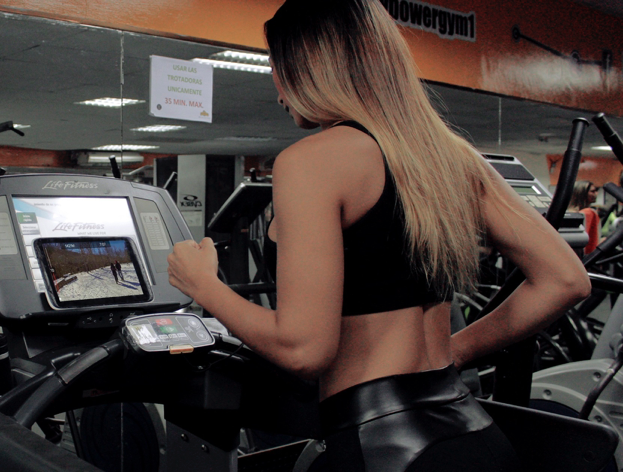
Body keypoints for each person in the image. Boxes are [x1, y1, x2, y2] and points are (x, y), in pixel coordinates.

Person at [166, 1, 589, 471]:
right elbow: (566, 279)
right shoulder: (452, 156)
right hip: (473, 435)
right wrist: (455, 351)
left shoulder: (314, 161)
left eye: (277, 64)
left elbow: (303, 349)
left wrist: (203, 284)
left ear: (311, 66)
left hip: (383, 448)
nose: (277, 86)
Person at [569, 180, 600, 255]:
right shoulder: (588, 212)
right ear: (582, 193)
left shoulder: (570, 213)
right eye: (593, 191)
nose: (596, 193)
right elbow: (590, 243)